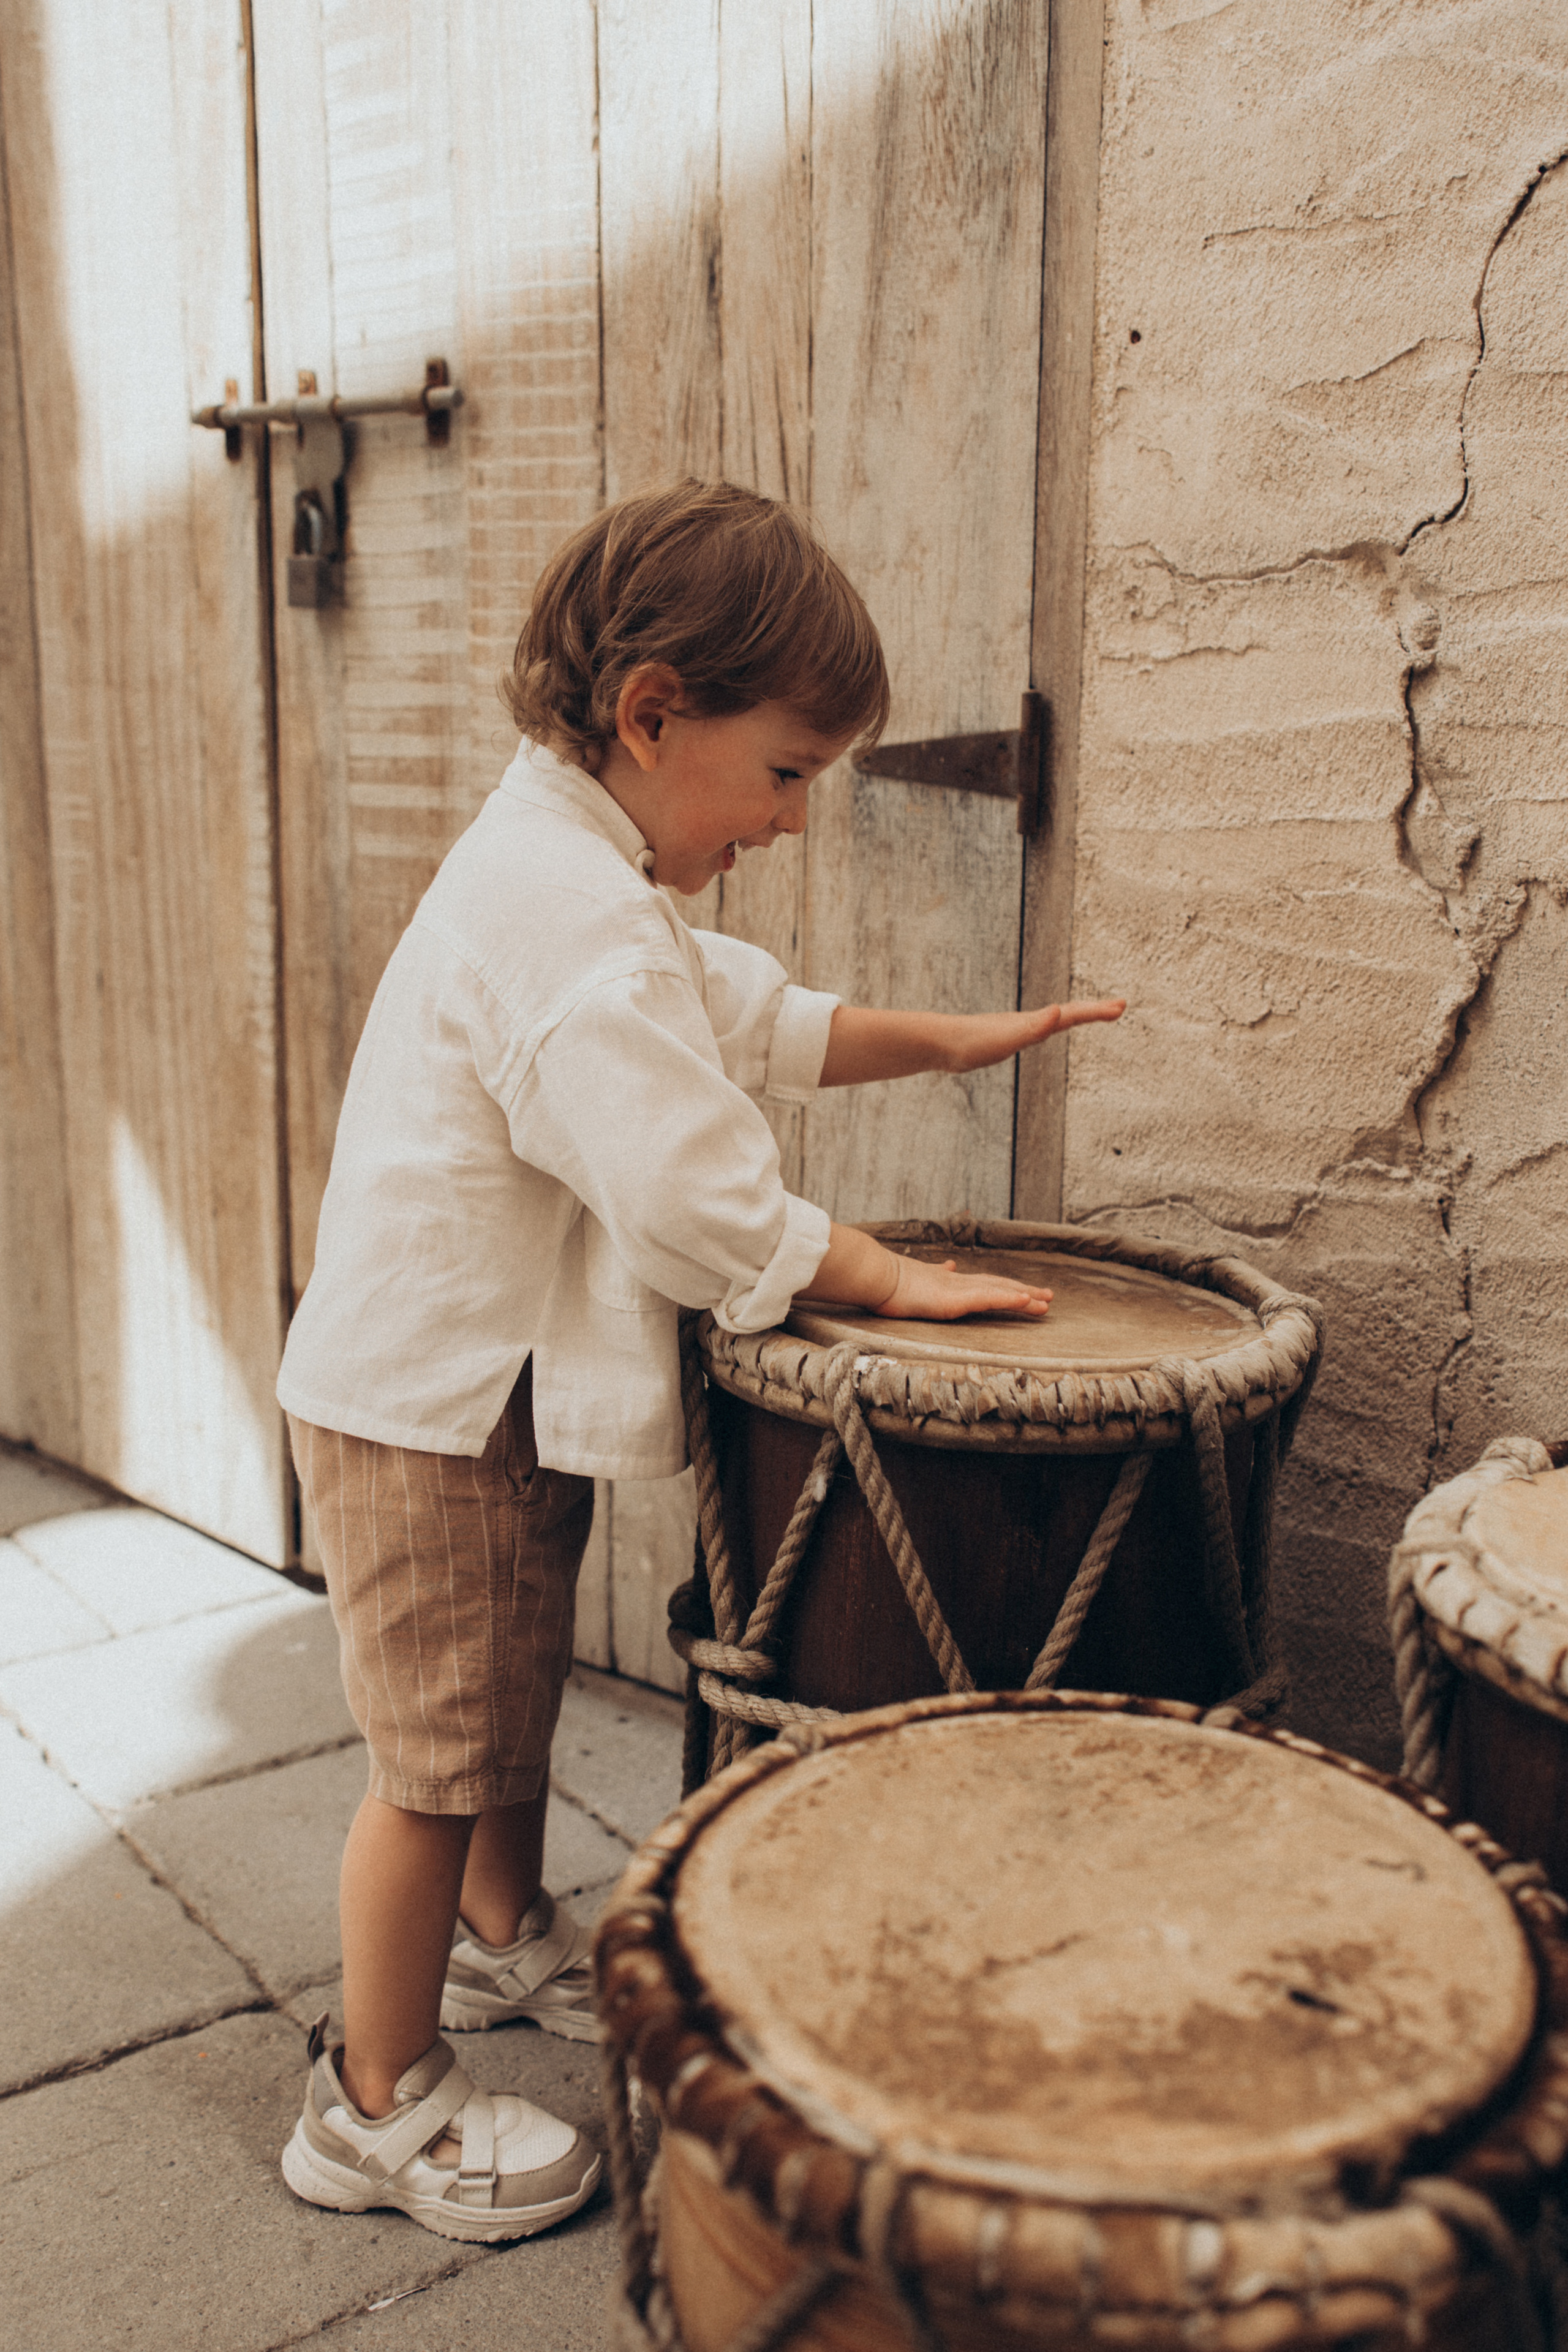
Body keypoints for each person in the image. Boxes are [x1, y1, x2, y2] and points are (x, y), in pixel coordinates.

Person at [274, 481, 1125, 2242]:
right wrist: (877, 1271)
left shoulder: (587, 868)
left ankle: (504, 1943)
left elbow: (755, 1016)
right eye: (792, 771)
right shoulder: (564, 918)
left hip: (474, 1394)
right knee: (434, 1755)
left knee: (506, 1683)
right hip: (421, 1408)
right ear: (654, 714)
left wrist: (961, 1035)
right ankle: (371, 2099)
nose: (796, 820)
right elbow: (681, 1187)